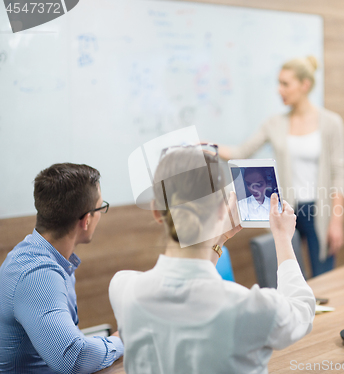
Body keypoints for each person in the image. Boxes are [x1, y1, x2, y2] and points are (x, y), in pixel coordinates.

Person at [108, 145, 315, 374]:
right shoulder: (250, 307)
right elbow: (301, 310)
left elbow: (190, 284)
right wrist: (283, 237)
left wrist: (219, 240)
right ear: (220, 209)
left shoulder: (122, 289)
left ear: (157, 212)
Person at [219, 56, 344, 276]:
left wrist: (337, 221)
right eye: (279, 83)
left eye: (285, 84)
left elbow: (339, 173)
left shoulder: (331, 122)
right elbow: (240, 152)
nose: (280, 90)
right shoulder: (274, 124)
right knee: (289, 274)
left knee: (325, 277)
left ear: (304, 85)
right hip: (287, 210)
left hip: (320, 211)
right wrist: (209, 148)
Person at [0, 163, 123, 373]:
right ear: (86, 220)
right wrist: (123, 339)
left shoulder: (38, 255)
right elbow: (74, 359)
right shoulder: (37, 274)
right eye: (101, 207)